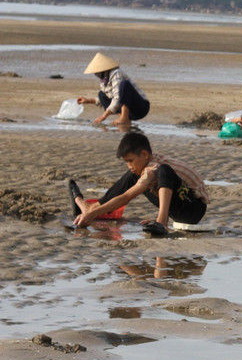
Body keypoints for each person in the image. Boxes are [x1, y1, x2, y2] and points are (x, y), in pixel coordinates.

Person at [70, 131, 208, 235]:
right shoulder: (147, 165)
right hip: (178, 206)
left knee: (164, 170)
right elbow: (125, 195)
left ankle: (162, 221)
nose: (129, 165)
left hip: (193, 208)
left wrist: (92, 215)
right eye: (126, 162)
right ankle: (91, 207)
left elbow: (126, 197)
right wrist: (93, 213)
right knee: (133, 174)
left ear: (144, 154)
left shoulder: (154, 167)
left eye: (130, 161)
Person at [78, 53, 150, 130]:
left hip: (140, 108)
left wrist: (104, 116)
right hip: (130, 112)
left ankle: (124, 117)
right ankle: (124, 118)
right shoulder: (104, 79)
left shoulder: (116, 73)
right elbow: (109, 97)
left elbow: (117, 97)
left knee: (125, 85)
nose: (95, 74)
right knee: (102, 94)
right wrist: (88, 101)